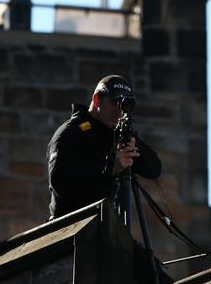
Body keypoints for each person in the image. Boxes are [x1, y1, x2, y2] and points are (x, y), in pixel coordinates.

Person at [47, 74, 172, 283]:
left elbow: (154, 168)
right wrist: (110, 170)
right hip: (75, 233)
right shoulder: (70, 133)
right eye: (115, 102)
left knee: (155, 276)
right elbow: (60, 182)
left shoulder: (114, 135)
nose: (119, 110)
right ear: (97, 100)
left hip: (109, 232)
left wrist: (132, 143)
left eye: (125, 105)